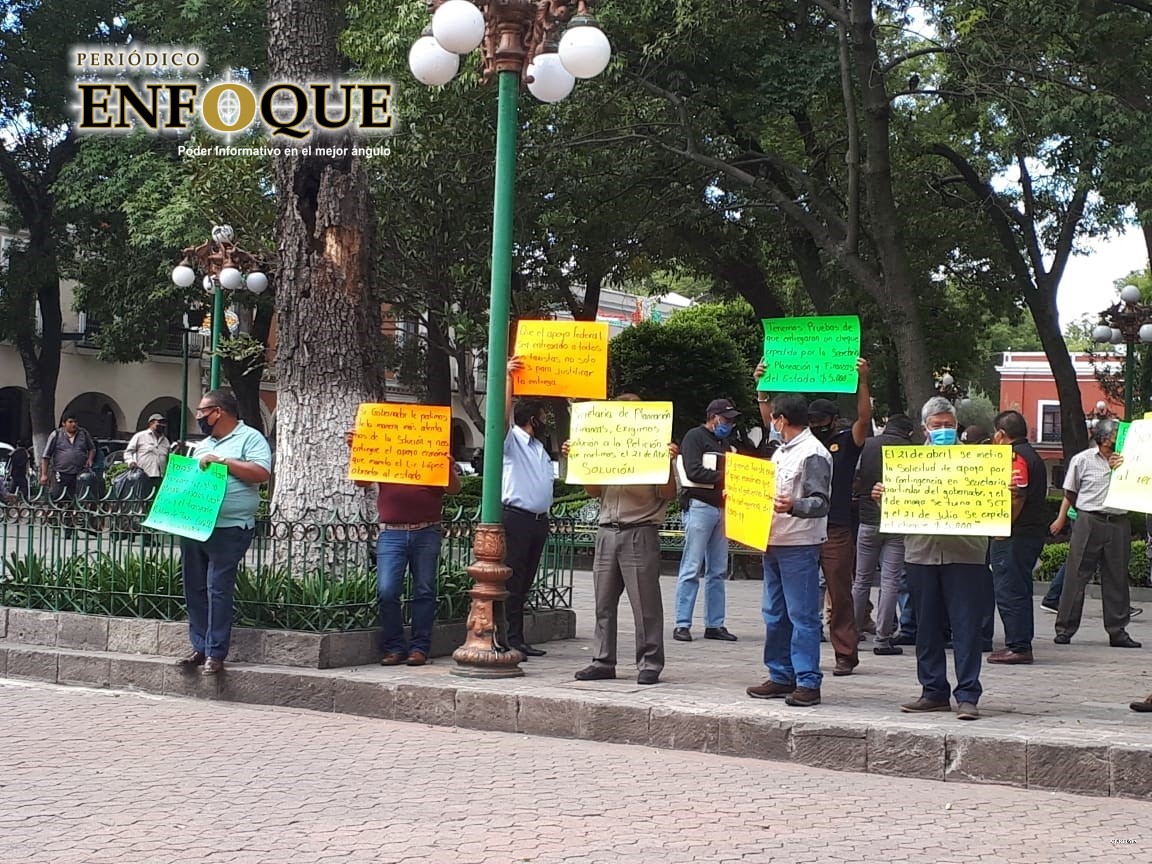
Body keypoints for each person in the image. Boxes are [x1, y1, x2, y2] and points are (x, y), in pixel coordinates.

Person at [875, 396, 988, 721]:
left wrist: (1003, 490)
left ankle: (968, 695)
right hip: (921, 553)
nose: (942, 431)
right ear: (924, 429)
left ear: (957, 428)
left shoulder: (978, 464)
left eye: (948, 426)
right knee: (926, 626)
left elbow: (993, 502)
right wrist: (885, 498)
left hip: (965, 553)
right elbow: (897, 513)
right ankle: (933, 691)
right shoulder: (907, 465)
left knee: (966, 627)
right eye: (936, 426)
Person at [565, 395, 678, 685]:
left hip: (639, 529)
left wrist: (667, 461)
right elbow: (593, 491)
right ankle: (603, 660)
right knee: (603, 601)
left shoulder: (654, 448)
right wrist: (578, 458)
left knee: (645, 602)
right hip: (606, 530)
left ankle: (650, 662)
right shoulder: (606, 444)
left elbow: (668, 493)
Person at [175, 389, 272, 675]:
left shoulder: (250, 438)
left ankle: (216, 653)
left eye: (203, 411)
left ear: (218, 412)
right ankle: (200, 647)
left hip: (230, 528)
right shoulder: (202, 445)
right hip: (196, 525)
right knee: (194, 586)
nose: (199, 417)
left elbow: (261, 473)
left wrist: (224, 462)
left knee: (218, 587)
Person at [347, 431, 461, 667]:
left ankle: (420, 648)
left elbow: (453, 489)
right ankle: (395, 647)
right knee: (387, 591)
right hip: (392, 533)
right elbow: (361, 481)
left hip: (426, 531)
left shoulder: (434, 456)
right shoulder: (386, 454)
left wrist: (447, 467)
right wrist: (359, 450)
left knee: (425, 591)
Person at [746, 395, 832, 707]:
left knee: (802, 615)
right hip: (774, 541)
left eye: (774, 419)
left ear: (781, 419)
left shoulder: (813, 453)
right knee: (775, 614)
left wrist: (794, 505)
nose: (772, 423)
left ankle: (808, 680)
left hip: (799, 544)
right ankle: (781, 675)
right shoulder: (782, 452)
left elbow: (820, 502)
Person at [1049, 419, 1140, 649]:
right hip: (1089, 519)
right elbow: (1070, 493)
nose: (1119, 439)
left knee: (1117, 576)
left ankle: (1117, 630)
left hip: (1118, 520)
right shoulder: (1083, 459)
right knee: (1077, 573)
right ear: (1103, 438)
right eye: (1115, 435)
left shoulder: (1129, 460)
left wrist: (1123, 469)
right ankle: (1065, 628)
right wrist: (1061, 518)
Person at [672, 398, 741, 643]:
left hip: (720, 507)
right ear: (713, 417)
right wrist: (729, 475)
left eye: (732, 420)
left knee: (717, 570)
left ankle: (714, 624)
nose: (730, 424)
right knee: (691, 567)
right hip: (700, 505)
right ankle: (682, 622)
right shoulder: (695, 437)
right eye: (726, 419)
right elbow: (692, 471)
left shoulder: (724, 443)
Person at [986, 410, 1048, 665]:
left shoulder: (1015, 457)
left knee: (1010, 590)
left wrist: (1003, 527)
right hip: (1030, 532)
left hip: (1015, 535)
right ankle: (1020, 643)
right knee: (1019, 588)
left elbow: (1017, 495)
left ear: (1001, 434)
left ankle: (1018, 646)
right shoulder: (1032, 455)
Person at [502, 357, 555, 658]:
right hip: (517, 518)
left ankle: (517, 636)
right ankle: (509, 636)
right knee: (514, 578)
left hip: (538, 520)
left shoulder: (539, 447)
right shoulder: (512, 442)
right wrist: (509, 381)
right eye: (542, 415)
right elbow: (500, 416)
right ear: (531, 418)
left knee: (526, 580)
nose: (545, 420)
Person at [852, 413, 914, 656]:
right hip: (896, 522)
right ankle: (883, 639)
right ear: (909, 433)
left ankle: (853, 632)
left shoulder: (867, 445)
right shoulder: (913, 451)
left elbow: (855, 478)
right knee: (890, 582)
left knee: (861, 580)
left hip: (867, 519)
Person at [39, 414, 96, 501]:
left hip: (78, 474)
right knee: (58, 498)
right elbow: (46, 456)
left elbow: (92, 448)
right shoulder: (56, 435)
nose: (74, 424)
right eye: (70, 422)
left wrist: (90, 459)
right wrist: (44, 475)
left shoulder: (83, 434)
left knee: (76, 499)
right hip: (61, 473)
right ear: (63, 423)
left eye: (75, 422)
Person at [124, 413, 171, 497]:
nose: (162, 425)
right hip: (144, 476)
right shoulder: (140, 436)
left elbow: (169, 457)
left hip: (160, 477)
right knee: (143, 500)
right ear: (151, 423)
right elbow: (128, 452)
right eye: (159, 422)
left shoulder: (165, 440)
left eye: (164, 423)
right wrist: (131, 462)